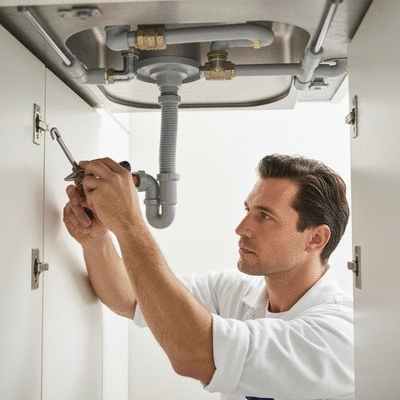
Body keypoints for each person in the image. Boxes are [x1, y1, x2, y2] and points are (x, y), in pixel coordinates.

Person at [63, 154, 354, 400]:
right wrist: (96, 239)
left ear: (316, 238)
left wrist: (129, 224)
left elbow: (194, 354)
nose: (242, 228)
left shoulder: (338, 333)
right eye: (247, 210)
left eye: (264, 216)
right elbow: (132, 298)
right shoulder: (232, 291)